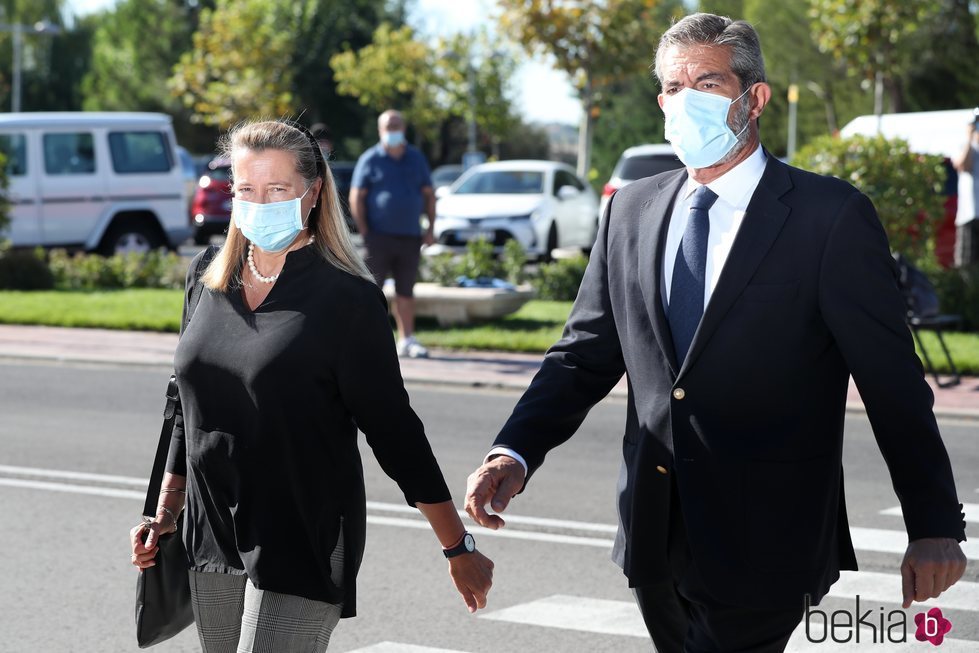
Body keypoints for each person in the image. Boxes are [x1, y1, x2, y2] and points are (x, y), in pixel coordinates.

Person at [464, 13, 967, 653]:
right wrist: (515, 450)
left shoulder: (829, 217)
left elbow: (892, 381)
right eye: (675, 88)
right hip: (652, 532)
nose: (686, 102)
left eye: (708, 83)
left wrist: (931, 522)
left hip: (769, 538)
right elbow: (583, 355)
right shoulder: (631, 209)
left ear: (753, 98)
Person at [130, 119, 493, 653]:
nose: (260, 202)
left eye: (277, 189)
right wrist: (165, 511)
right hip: (211, 529)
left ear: (314, 191)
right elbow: (183, 403)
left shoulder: (347, 299)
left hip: (302, 528)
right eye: (246, 189)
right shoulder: (207, 275)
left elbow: (395, 431)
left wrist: (456, 546)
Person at [349, 109, 436, 359]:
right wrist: (365, 230)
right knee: (371, 291)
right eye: (388, 126)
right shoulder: (370, 159)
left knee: (406, 290)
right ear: (380, 130)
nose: (393, 130)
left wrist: (430, 228)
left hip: (410, 237)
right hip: (378, 237)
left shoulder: (416, 158)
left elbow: (429, 195)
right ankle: (367, 339)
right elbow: (357, 197)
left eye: (397, 125)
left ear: (404, 128)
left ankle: (407, 339)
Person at [952, 113, 979, 267]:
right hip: (969, 215)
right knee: (966, 266)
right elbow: (963, 165)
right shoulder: (963, 145)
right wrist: (970, 138)